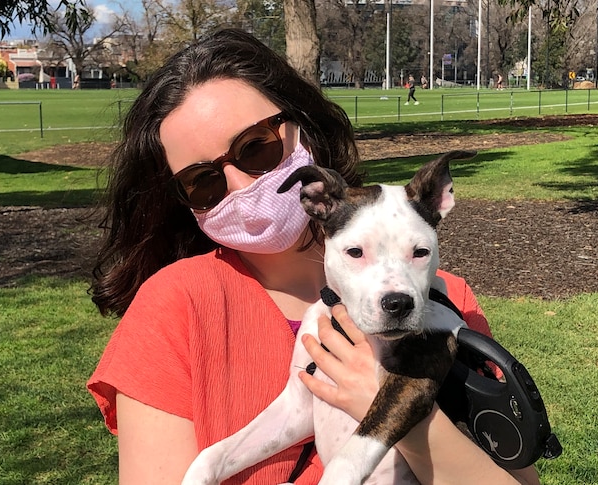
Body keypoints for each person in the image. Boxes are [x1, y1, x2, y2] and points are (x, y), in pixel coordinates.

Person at [86, 28, 539, 485]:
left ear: (302, 127)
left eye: (255, 147)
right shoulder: (175, 305)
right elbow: (294, 409)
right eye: (202, 180)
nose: (242, 187)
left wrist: (405, 415)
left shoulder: (445, 303)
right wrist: (208, 466)